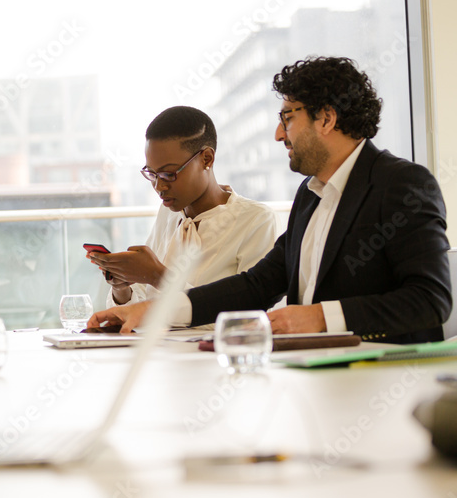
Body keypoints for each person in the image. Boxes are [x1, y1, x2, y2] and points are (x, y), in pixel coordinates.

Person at [89, 56, 452, 344]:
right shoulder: (310, 197)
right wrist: (154, 310)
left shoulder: (402, 184)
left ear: (326, 118)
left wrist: (321, 317)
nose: (279, 134)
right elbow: (257, 286)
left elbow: (429, 300)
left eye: (288, 118)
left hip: (384, 378)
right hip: (314, 376)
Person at [86, 106, 277, 312]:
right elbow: (141, 306)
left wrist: (157, 276)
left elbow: (250, 315)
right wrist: (122, 288)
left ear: (207, 159)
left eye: (169, 174)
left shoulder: (255, 220)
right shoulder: (169, 213)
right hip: (160, 342)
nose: (159, 186)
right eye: (152, 174)